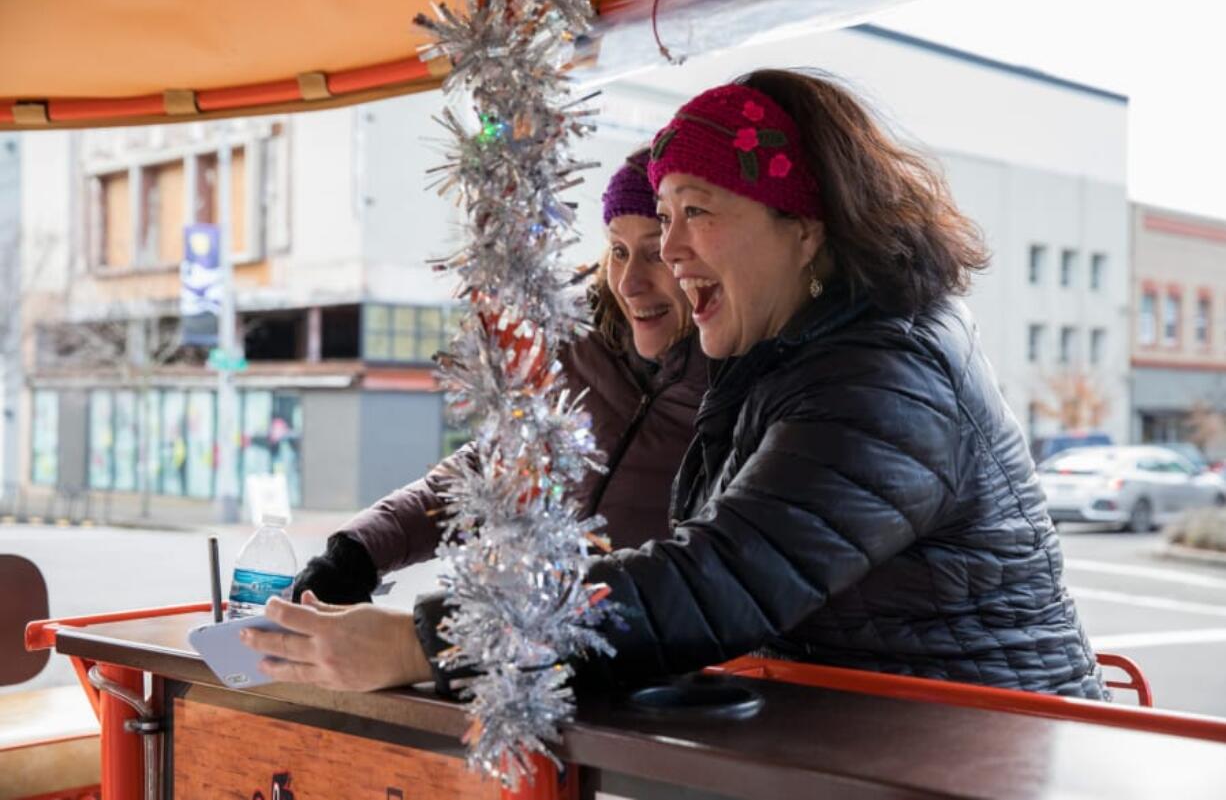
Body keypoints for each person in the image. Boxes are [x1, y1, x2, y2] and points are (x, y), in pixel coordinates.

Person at [563, 70, 1105, 698]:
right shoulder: (786, 354)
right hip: (884, 742)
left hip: (989, 759)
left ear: (803, 228)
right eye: (665, 215)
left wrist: (464, 632)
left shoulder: (889, 375)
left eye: (696, 211)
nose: (671, 244)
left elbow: (723, 582)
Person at [241, 151, 707, 690]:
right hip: (531, 677)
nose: (629, 282)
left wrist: (420, 644)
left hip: (665, 685)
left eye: (656, 255)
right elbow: (489, 472)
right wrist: (359, 551)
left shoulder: (739, 386)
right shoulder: (578, 348)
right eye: (619, 251)